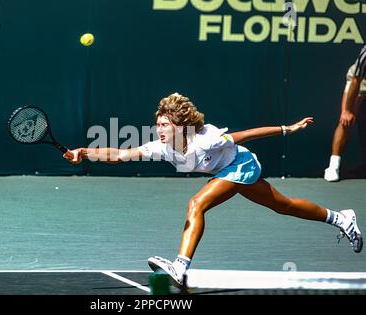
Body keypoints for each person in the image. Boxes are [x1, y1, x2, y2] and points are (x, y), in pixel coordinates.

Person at [63, 92, 363, 287]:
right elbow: (120, 154)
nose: (159, 129)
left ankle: (180, 267)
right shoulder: (161, 148)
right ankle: (341, 218)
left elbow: (248, 135)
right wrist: (84, 152)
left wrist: (288, 128)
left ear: (179, 125)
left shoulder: (206, 139)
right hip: (224, 172)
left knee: (197, 204)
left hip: (241, 165)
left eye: (164, 124)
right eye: (158, 124)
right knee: (282, 205)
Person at [324, 46, 366, 182]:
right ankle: (333, 166)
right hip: (361, 79)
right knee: (346, 120)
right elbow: (356, 80)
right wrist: (347, 110)